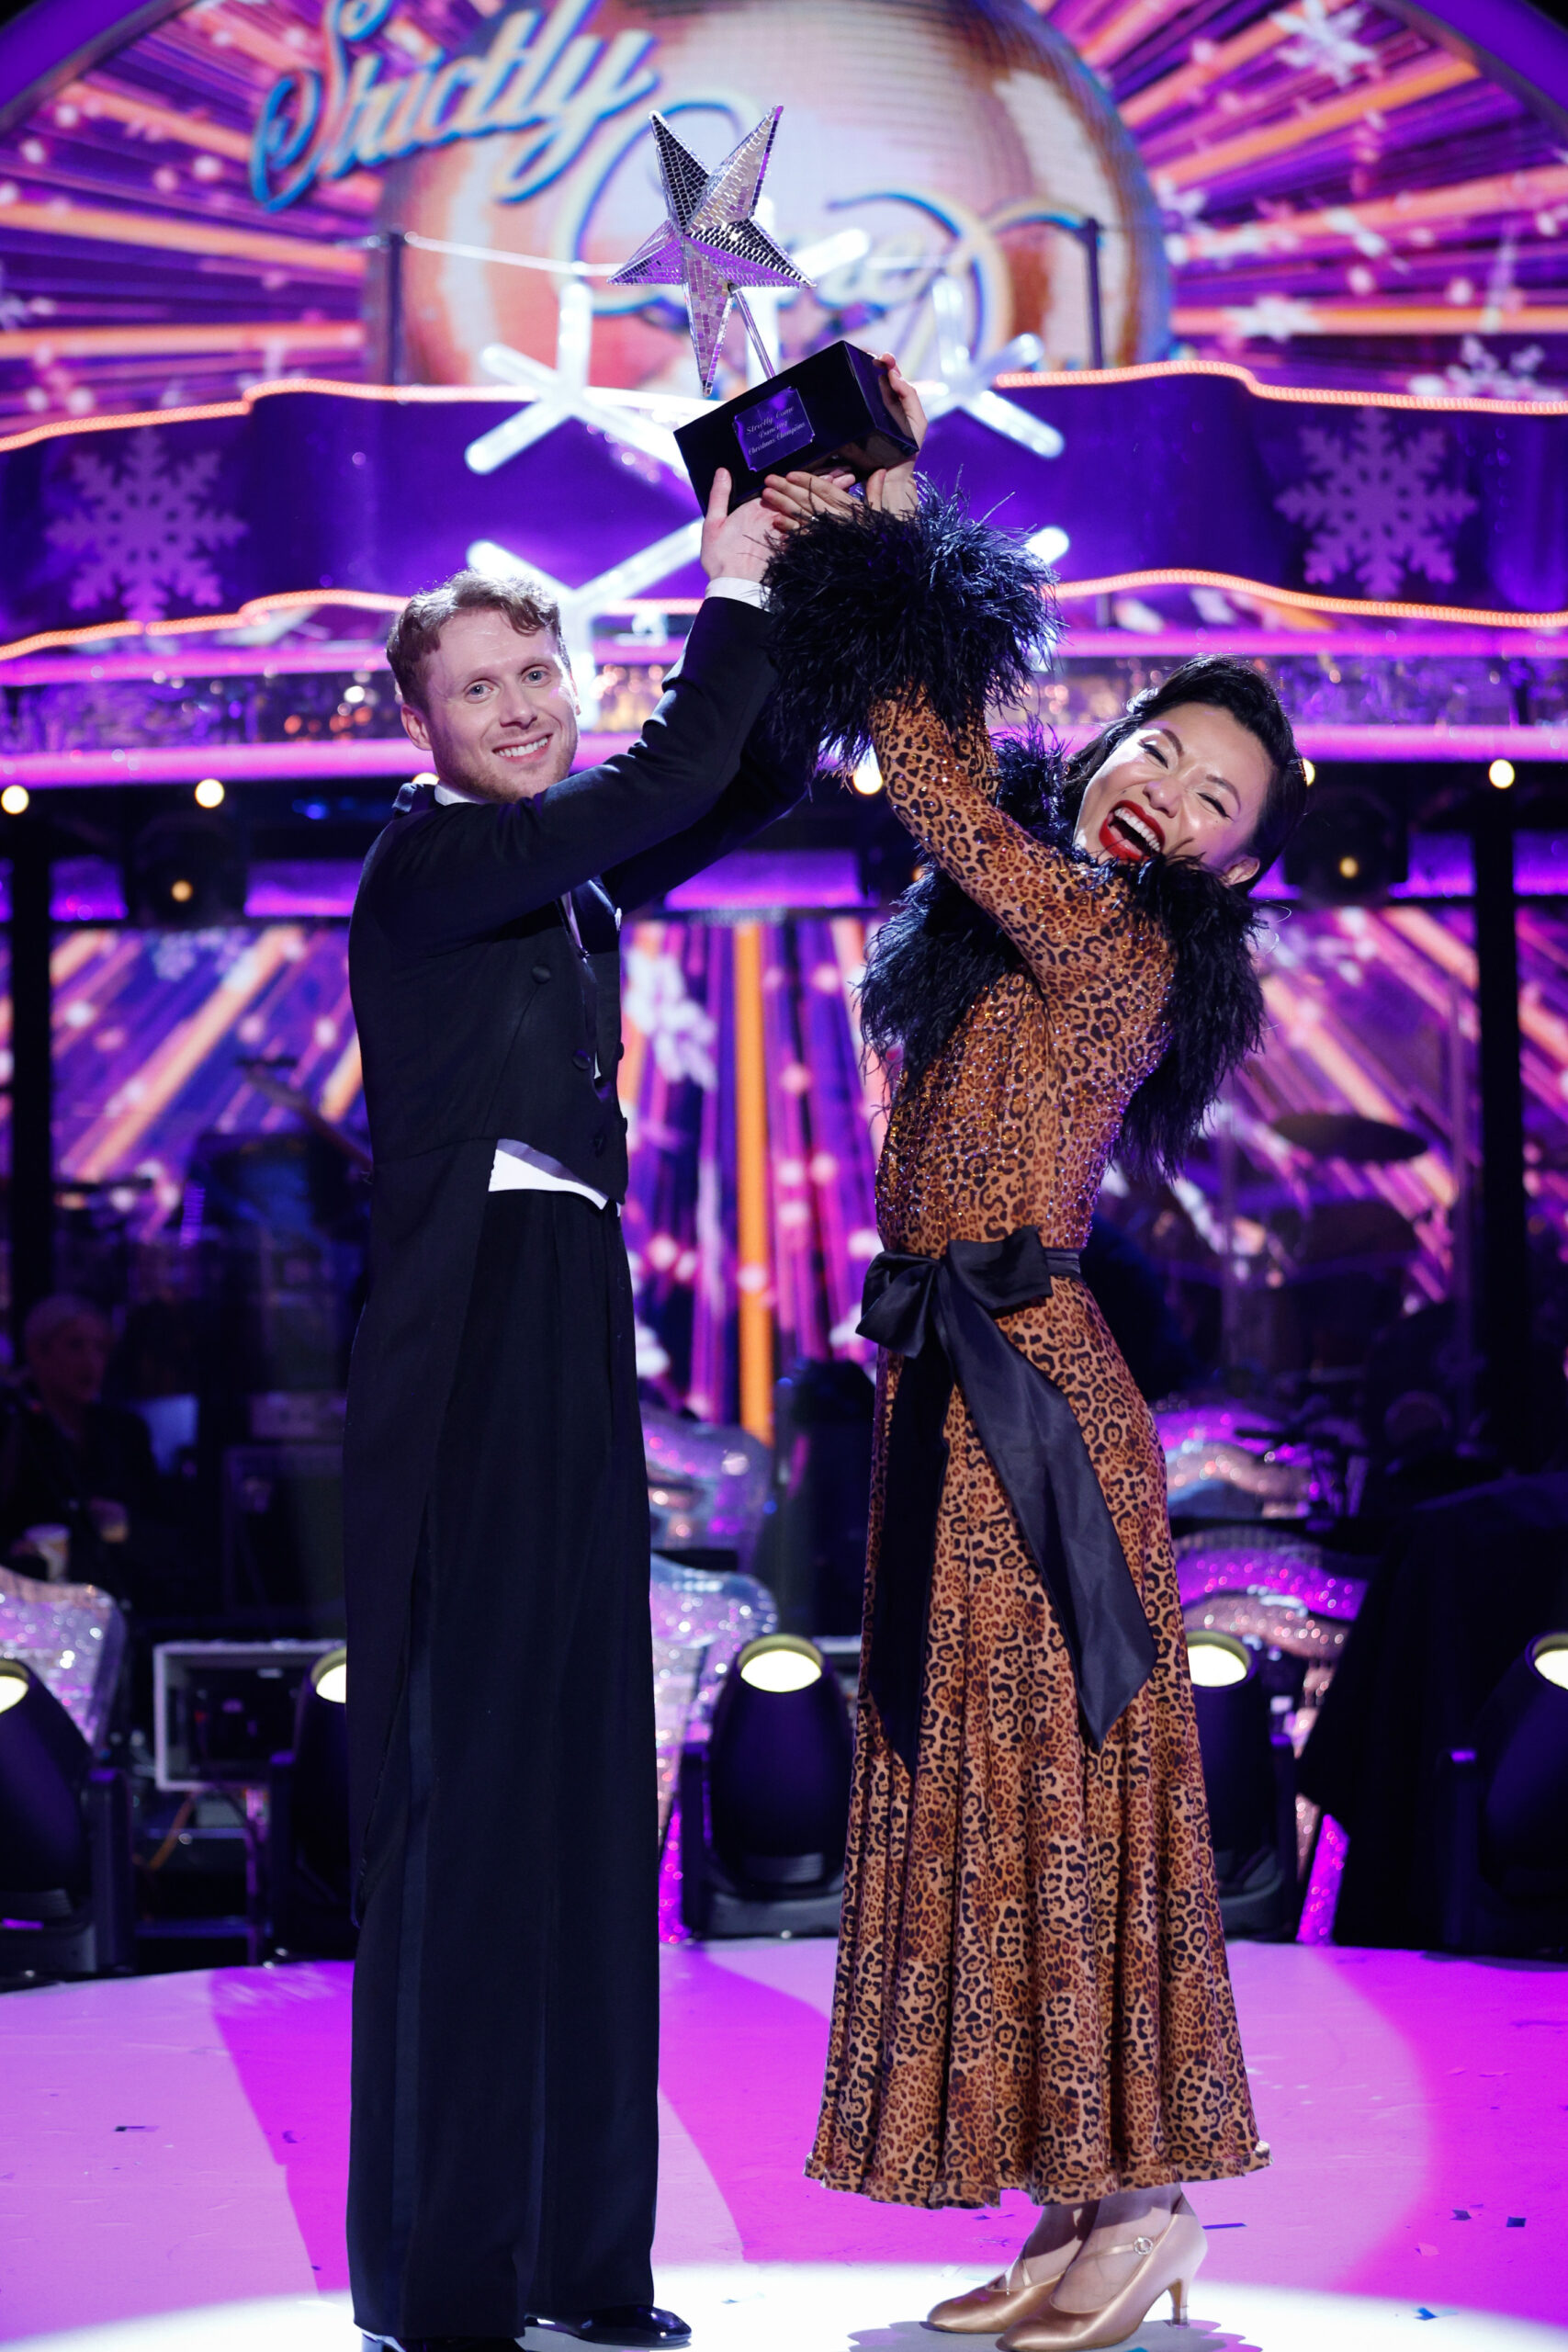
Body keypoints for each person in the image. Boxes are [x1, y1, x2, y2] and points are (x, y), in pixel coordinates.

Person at [760, 370, 1308, 2351]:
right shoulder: (1029, 918)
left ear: (1228, 868)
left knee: (1054, 1788)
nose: (1163, 787)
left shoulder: (1112, 942)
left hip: (1024, 1405)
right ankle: (1083, 2204)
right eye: (1160, 746)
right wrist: (881, 495)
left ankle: (1138, 2197)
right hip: (954, 1386)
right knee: (1001, 1786)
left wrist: (888, 533)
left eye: (1212, 799)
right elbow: (964, 770)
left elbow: (922, 764)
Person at [344, 469, 814, 2352]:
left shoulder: (557, 870)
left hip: (558, 1320)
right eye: (478, 682)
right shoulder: (428, 862)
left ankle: (577, 2263)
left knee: (581, 1803)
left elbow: (726, 781)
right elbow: (651, 783)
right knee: (472, 1808)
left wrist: (821, 583)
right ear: (420, 722)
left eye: (535, 662)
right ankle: (455, 2279)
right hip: (461, 1354)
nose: (520, 699)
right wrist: (725, 582)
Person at [0, 1293, 161, 1592]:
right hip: (27, 1607)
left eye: (100, 1348)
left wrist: (126, 1526)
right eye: (75, 1346)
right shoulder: (11, 1427)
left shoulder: (126, 1433)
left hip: (116, 1601)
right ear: (38, 1352)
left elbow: (167, 1535)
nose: (90, 1361)